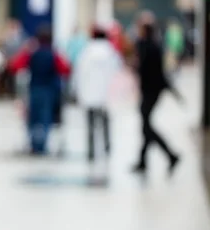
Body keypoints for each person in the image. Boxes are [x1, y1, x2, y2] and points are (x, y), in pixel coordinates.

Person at [10, 26, 70, 154]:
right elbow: (66, 70)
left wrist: (26, 50)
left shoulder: (31, 53)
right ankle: (42, 144)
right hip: (50, 91)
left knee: (33, 118)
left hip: (34, 89)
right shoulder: (54, 55)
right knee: (45, 118)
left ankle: (34, 144)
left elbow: (15, 66)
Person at [132, 22, 180, 175]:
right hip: (150, 91)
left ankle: (171, 154)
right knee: (146, 126)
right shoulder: (150, 46)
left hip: (151, 92)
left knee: (147, 126)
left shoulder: (150, 47)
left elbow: (154, 72)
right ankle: (144, 161)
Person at [73, 27, 122, 162]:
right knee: (105, 121)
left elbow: (78, 73)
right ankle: (107, 147)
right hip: (105, 94)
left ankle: (91, 151)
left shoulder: (86, 52)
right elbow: (117, 70)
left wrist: (77, 90)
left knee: (90, 123)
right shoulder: (111, 52)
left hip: (89, 93)